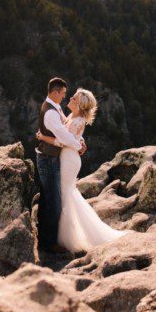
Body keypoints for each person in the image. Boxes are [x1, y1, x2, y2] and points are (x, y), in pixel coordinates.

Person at [37, 87, 130, 253]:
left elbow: (64, 140)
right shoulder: (73, 117)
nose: (70, 98)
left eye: (74, 98)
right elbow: (74, 137)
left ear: (79, 105)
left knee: (65, 194)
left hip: (68, 159)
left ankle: (65, 237)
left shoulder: (77, 120)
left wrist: (43, 137)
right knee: (66, 193)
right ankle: (63, 234)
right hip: (68, 157)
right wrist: (80, 142)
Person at [35, 77, 84, 254]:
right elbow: (63, 138)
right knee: (53, 201)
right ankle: (48, 243)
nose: (64, 96)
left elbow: (70, 128)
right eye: (63, 93)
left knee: (50, 198)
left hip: (52, 158)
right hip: (48, 159)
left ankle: (44, 238)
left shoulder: (55, 108)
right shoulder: (50, 113)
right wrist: (78, 146)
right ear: (55, 92)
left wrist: (80, 140)